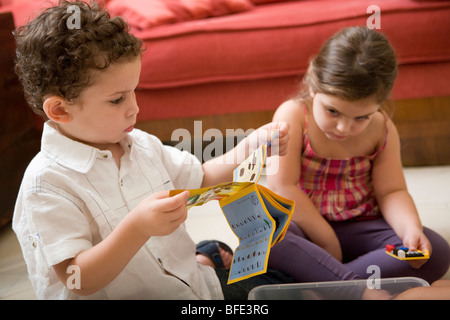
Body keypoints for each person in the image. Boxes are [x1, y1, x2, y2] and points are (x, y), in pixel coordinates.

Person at [12, 1, 290, 299]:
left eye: (135, 91)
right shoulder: (46, 187)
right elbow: (77, 279)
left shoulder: (140, 144)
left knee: (278, 282)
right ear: (60, 110)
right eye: (117, 99)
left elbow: (203, 177)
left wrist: (249, 147)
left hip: (193, 288)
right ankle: (207, 254)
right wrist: (137, 228)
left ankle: (206, 256)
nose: (135, 108)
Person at [266, 26, 450, 290]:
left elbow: (392, 191)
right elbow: (281, 187)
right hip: (305, 228)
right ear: (311, 80)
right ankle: (349, 288)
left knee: (435, 252)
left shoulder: (382, 128)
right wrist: (328, 242)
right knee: (270, 238)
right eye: (332, 111)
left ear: (379, 103)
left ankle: (324, 287)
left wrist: (411, 229)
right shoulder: (292, 116)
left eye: (361, 117)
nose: (344, 128)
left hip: (362, 226)